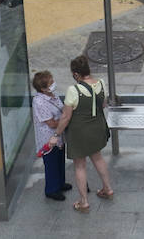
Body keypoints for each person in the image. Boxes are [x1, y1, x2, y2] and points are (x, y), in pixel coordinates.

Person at [52, 54, 114, 213]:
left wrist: (56, 134)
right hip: (97, 129)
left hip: (79, 132)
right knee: (98, 157)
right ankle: (107, 189)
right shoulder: (101, 83)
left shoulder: (73, 90)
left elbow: (66, 117)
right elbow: (104, 103)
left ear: (76, 74)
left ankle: (83, 201)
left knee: (80, 165)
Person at [31, 70, 73, 201]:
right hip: (48, 139)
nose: (54, 83)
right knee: (51, 164)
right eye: (51, 82)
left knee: (60, 160)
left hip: (58, 136)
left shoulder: (52, 96)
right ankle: (51, 189)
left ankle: (60, 183)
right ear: (43, 88)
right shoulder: (40, 102)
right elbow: (51, 123)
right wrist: (66, 120)